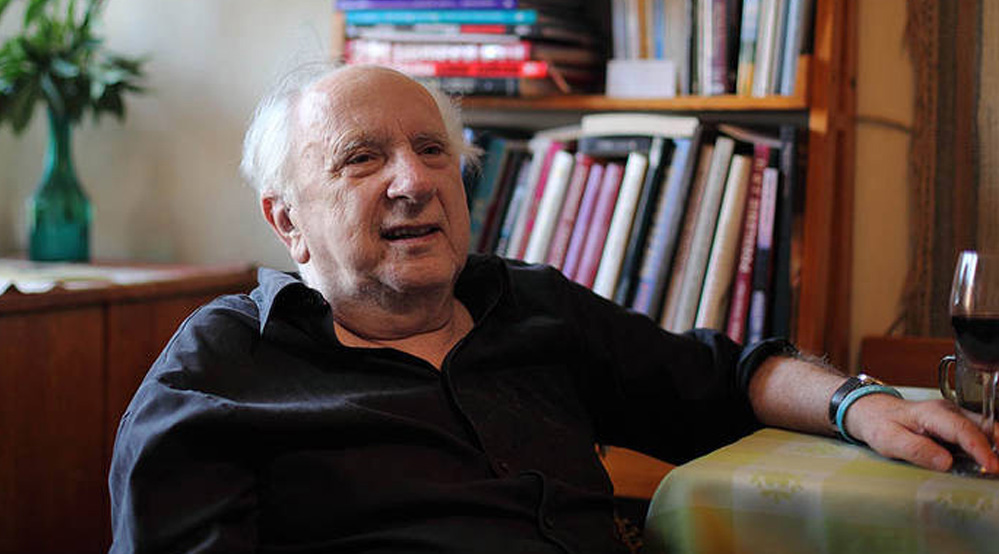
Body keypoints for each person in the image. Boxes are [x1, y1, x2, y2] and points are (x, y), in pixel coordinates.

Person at [108, 64, 998, 553]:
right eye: (361, 158)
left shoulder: (528, 305)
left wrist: (860, 404)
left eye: (432, 150)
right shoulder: (217, 374)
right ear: (286, 221)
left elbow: (725, 376)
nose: (415, 180)